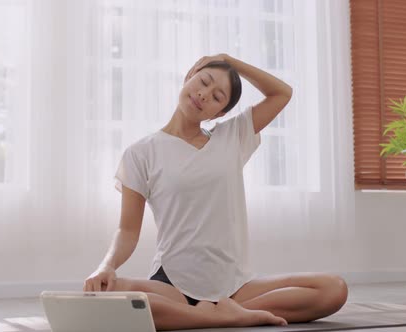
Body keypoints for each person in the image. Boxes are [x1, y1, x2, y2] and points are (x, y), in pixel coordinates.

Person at [83, 54, 348, 331]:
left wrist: (229, 61)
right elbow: (127, 230)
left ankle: (206, 315)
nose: (204, 94)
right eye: (203, 82)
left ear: (219, 114)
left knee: (333, 289)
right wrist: (106, 266)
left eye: (217, 96)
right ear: (189, 77)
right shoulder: (140, 153)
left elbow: (282, 93)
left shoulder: (232, 136)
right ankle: (228, 317)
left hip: (233, 287)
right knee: (103, 294)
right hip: (172, 284)